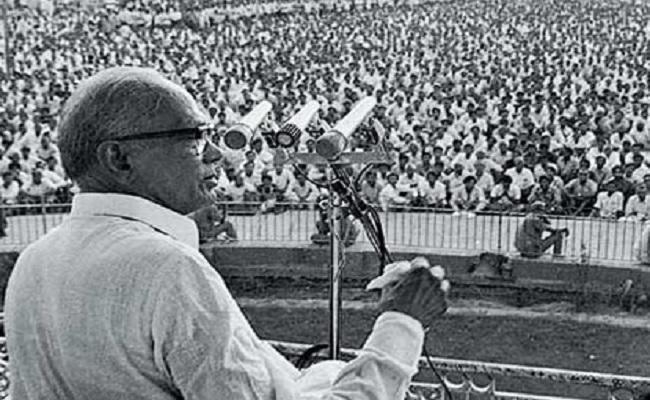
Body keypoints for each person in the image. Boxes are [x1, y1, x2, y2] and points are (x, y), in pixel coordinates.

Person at [5, 67, 450, 400]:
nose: (215, 155)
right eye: (194, 137)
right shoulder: (167, 269)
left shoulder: (35, 260)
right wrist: (401, 324)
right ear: (119, 159)